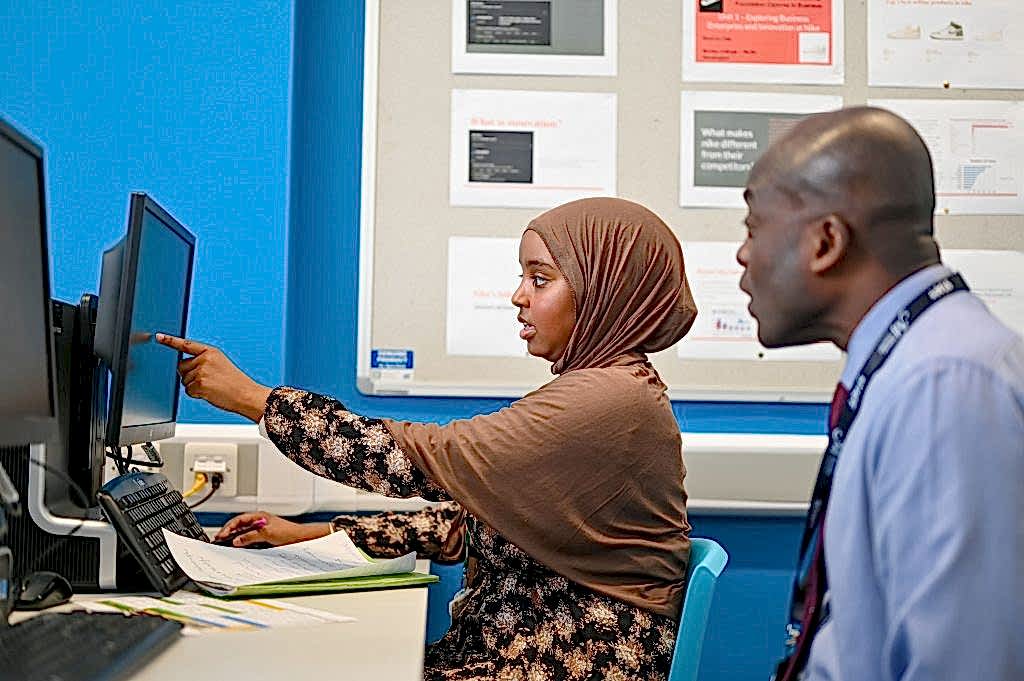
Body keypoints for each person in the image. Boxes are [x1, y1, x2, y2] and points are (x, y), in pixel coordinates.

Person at [158, 196, 698, 680]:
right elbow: (464, 527)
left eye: (540, 279)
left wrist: (250, 397)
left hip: (565, 657)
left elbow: (409, 462)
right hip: (530, 647)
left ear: (605, 291)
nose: (518, 296)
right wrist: (308, 536)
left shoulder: (606, 402)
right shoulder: (610, 391)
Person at [737, 106, 1024, 681]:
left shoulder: (945, 386)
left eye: (752, 230)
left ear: (826, 242)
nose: (743, 256)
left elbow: (965, 667)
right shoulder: (917, 365)